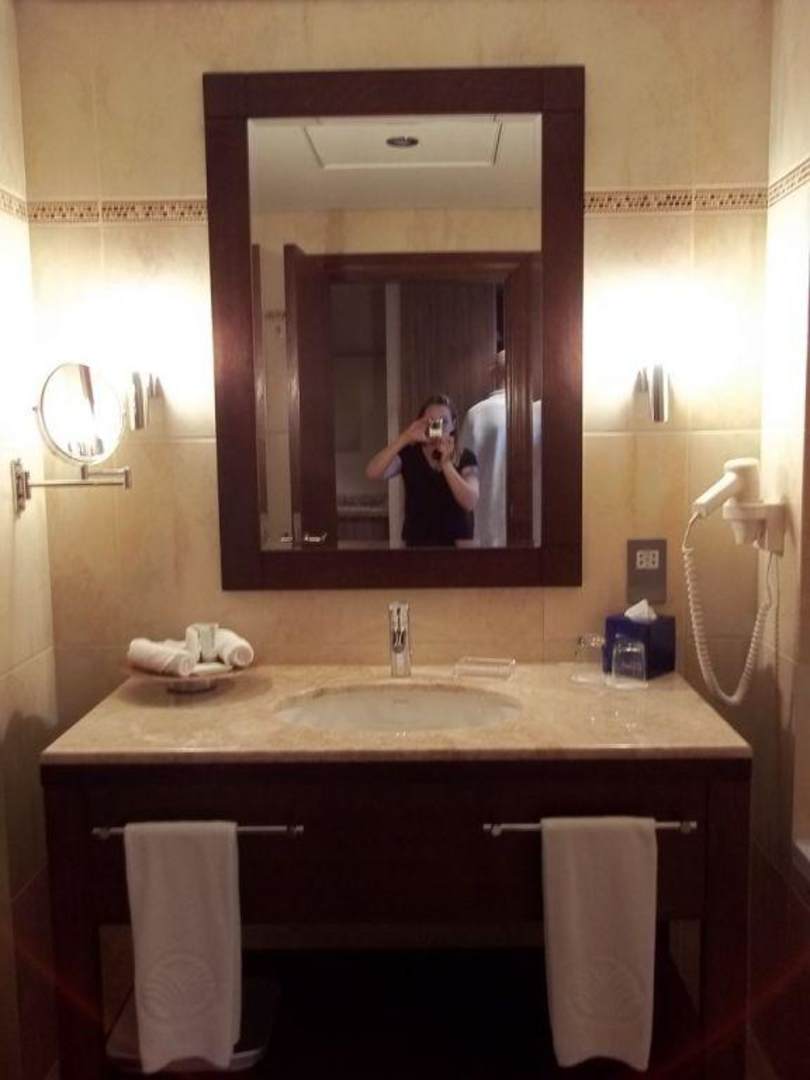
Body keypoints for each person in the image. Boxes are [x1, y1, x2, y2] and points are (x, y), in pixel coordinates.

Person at [366, 395, 479, 547]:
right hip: (417, 544)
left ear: (453, 424)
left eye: (444, 421)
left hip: (457, 545)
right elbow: (372, 472)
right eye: (430, 421)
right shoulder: (409, 455)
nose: (437, 426)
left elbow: (470, 502)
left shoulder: (465, 457)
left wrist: (446, 464)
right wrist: (405, 437)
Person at [459, 350, 542, 547]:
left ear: (493, 373)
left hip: (487, 523)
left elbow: (463, 471)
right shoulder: (539, 413)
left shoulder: (476, 415)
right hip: (533, 526)